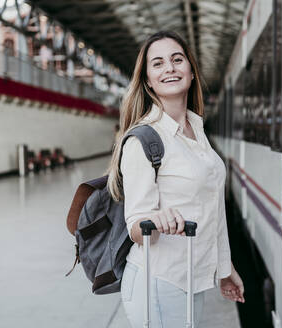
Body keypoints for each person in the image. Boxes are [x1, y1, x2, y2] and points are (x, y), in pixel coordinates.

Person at [106, 31, 245, 328]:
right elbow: (135, 224)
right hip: (158, 282)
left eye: (177, 59)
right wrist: (154, 220)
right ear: (148, 81)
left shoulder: (197, 131)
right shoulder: (144, 139)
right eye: (157, 64)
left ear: (192, 72)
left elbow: (212, 207)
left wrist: (224, 267)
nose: (169, 68)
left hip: (191, 280)